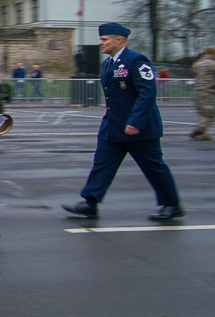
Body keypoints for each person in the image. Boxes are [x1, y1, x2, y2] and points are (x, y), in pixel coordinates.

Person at [62, 22, 183, 221]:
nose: (100, 43)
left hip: (139, 128)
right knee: (102, 164)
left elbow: (147, 92)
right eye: (101, 39)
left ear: (119, 40)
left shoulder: (136, 60)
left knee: (154, 167)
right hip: (113, 127)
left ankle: (172, 204)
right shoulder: (108, 63)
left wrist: (135, 121)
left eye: (104, 39)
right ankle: (90, 203)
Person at [189, 46, 215, 141]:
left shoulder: (197, 64)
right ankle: (198, 130)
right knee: (210, 113)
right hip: (209, 91)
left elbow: (194, 72)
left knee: (202, 113)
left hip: (197, 90)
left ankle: (203, 134)